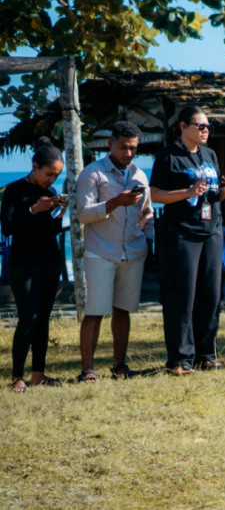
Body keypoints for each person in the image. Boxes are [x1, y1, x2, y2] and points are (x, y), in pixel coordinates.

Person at [150, 106, 225, 375]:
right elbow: (155, 194)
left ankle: (206, 354)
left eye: (208, 127)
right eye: (200, 126)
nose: (206, 130)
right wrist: (187, 192)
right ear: (183, 126)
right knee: (182, 296)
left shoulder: (209, 155)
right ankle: (180, 359)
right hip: (181, 233)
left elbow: (214, 196)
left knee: (210, 295)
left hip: (211, 232)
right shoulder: (168, 156)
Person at [75, 122, 154, 383]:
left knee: (123, 311)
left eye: (133, 148)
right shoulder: (92, 174)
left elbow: (147, 213)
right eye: (123, 147)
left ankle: (120, 366)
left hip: (133, 251)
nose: (128, 153)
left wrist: (149, 239)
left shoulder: (139, 176)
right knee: (95, 312)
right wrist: (115, 202)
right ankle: (88, 370)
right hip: (101, 250)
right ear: (110, 144)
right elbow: (83, 214)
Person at [2, 138, 67, 392]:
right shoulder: (14, 190)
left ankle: (38, 373)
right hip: (23, 262)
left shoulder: (50, 193)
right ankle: (17, 376)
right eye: (49, 173)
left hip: (49, 260)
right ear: (35, 166)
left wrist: (59, 213)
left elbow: (50, 231)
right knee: (28, 317)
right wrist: (33, 210)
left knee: (43, 318)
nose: (52, 179)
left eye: (56, 175)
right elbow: (8, 228)